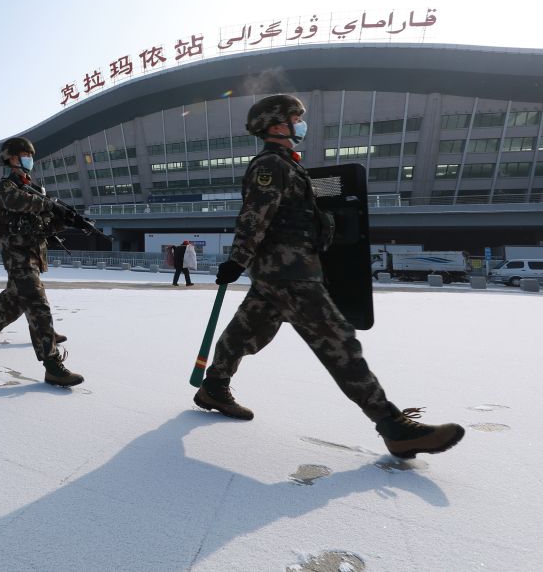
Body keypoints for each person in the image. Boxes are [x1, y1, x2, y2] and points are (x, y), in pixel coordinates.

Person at [194, 94, 464, 459]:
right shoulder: (271, 164)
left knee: (245, 331)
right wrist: (238, 259)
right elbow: (255, 215)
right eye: (295, 118)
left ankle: (214, 386)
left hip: (285, 271)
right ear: (276, 125)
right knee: (337, 341)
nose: (301, 123)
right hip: (290, 273)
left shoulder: (290, 164)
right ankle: (392, 426)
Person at [0, 137, 83, 387]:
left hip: (33, 256)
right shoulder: (7, 188)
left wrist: (62, 219)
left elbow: (44, 228)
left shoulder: (36, 189)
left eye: (30, 155)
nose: (29, 159)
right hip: (17, 257)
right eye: (24, 155)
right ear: (12, 158)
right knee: (38, 305)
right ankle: (52, 366)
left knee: (13, 304)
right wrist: (49, 205)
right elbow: (17, 202)